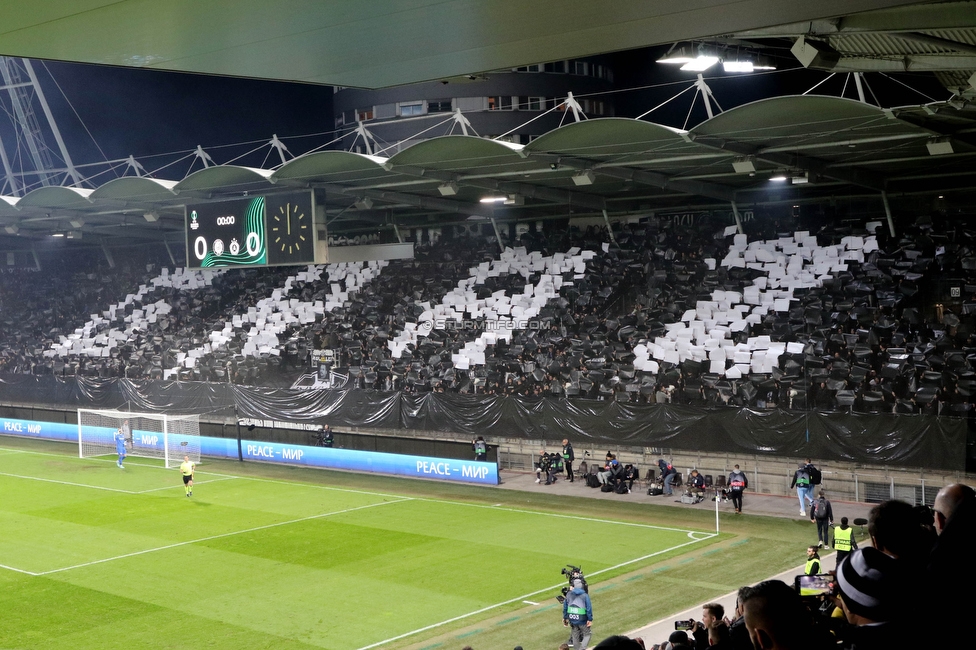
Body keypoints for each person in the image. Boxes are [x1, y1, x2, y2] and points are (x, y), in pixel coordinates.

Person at [563, 578, 593, 650]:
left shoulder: (569, 594)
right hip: (582, 618)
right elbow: (588, 608)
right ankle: (582, 649)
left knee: (575, 634)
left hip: (572, 617)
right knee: (587, 634)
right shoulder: (585, 595)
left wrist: (565, 617)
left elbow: (565, 607)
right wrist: (590, 619)